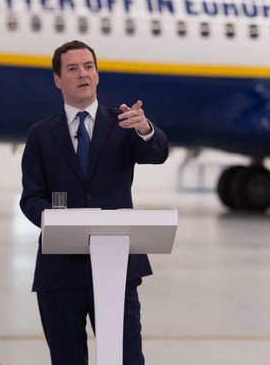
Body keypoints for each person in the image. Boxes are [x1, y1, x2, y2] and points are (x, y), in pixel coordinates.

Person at [20, 40, 169, 365]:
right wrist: (57, 221)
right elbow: (30, 198)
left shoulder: (124, 123)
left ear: (98, 75)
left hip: (117, 266)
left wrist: (145, 129)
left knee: (127, 359)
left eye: (88, 66)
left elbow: (156, 154)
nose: (82, 74)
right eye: (72, 69)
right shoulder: (41, 134)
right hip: (60, 272)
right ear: (58, 80)